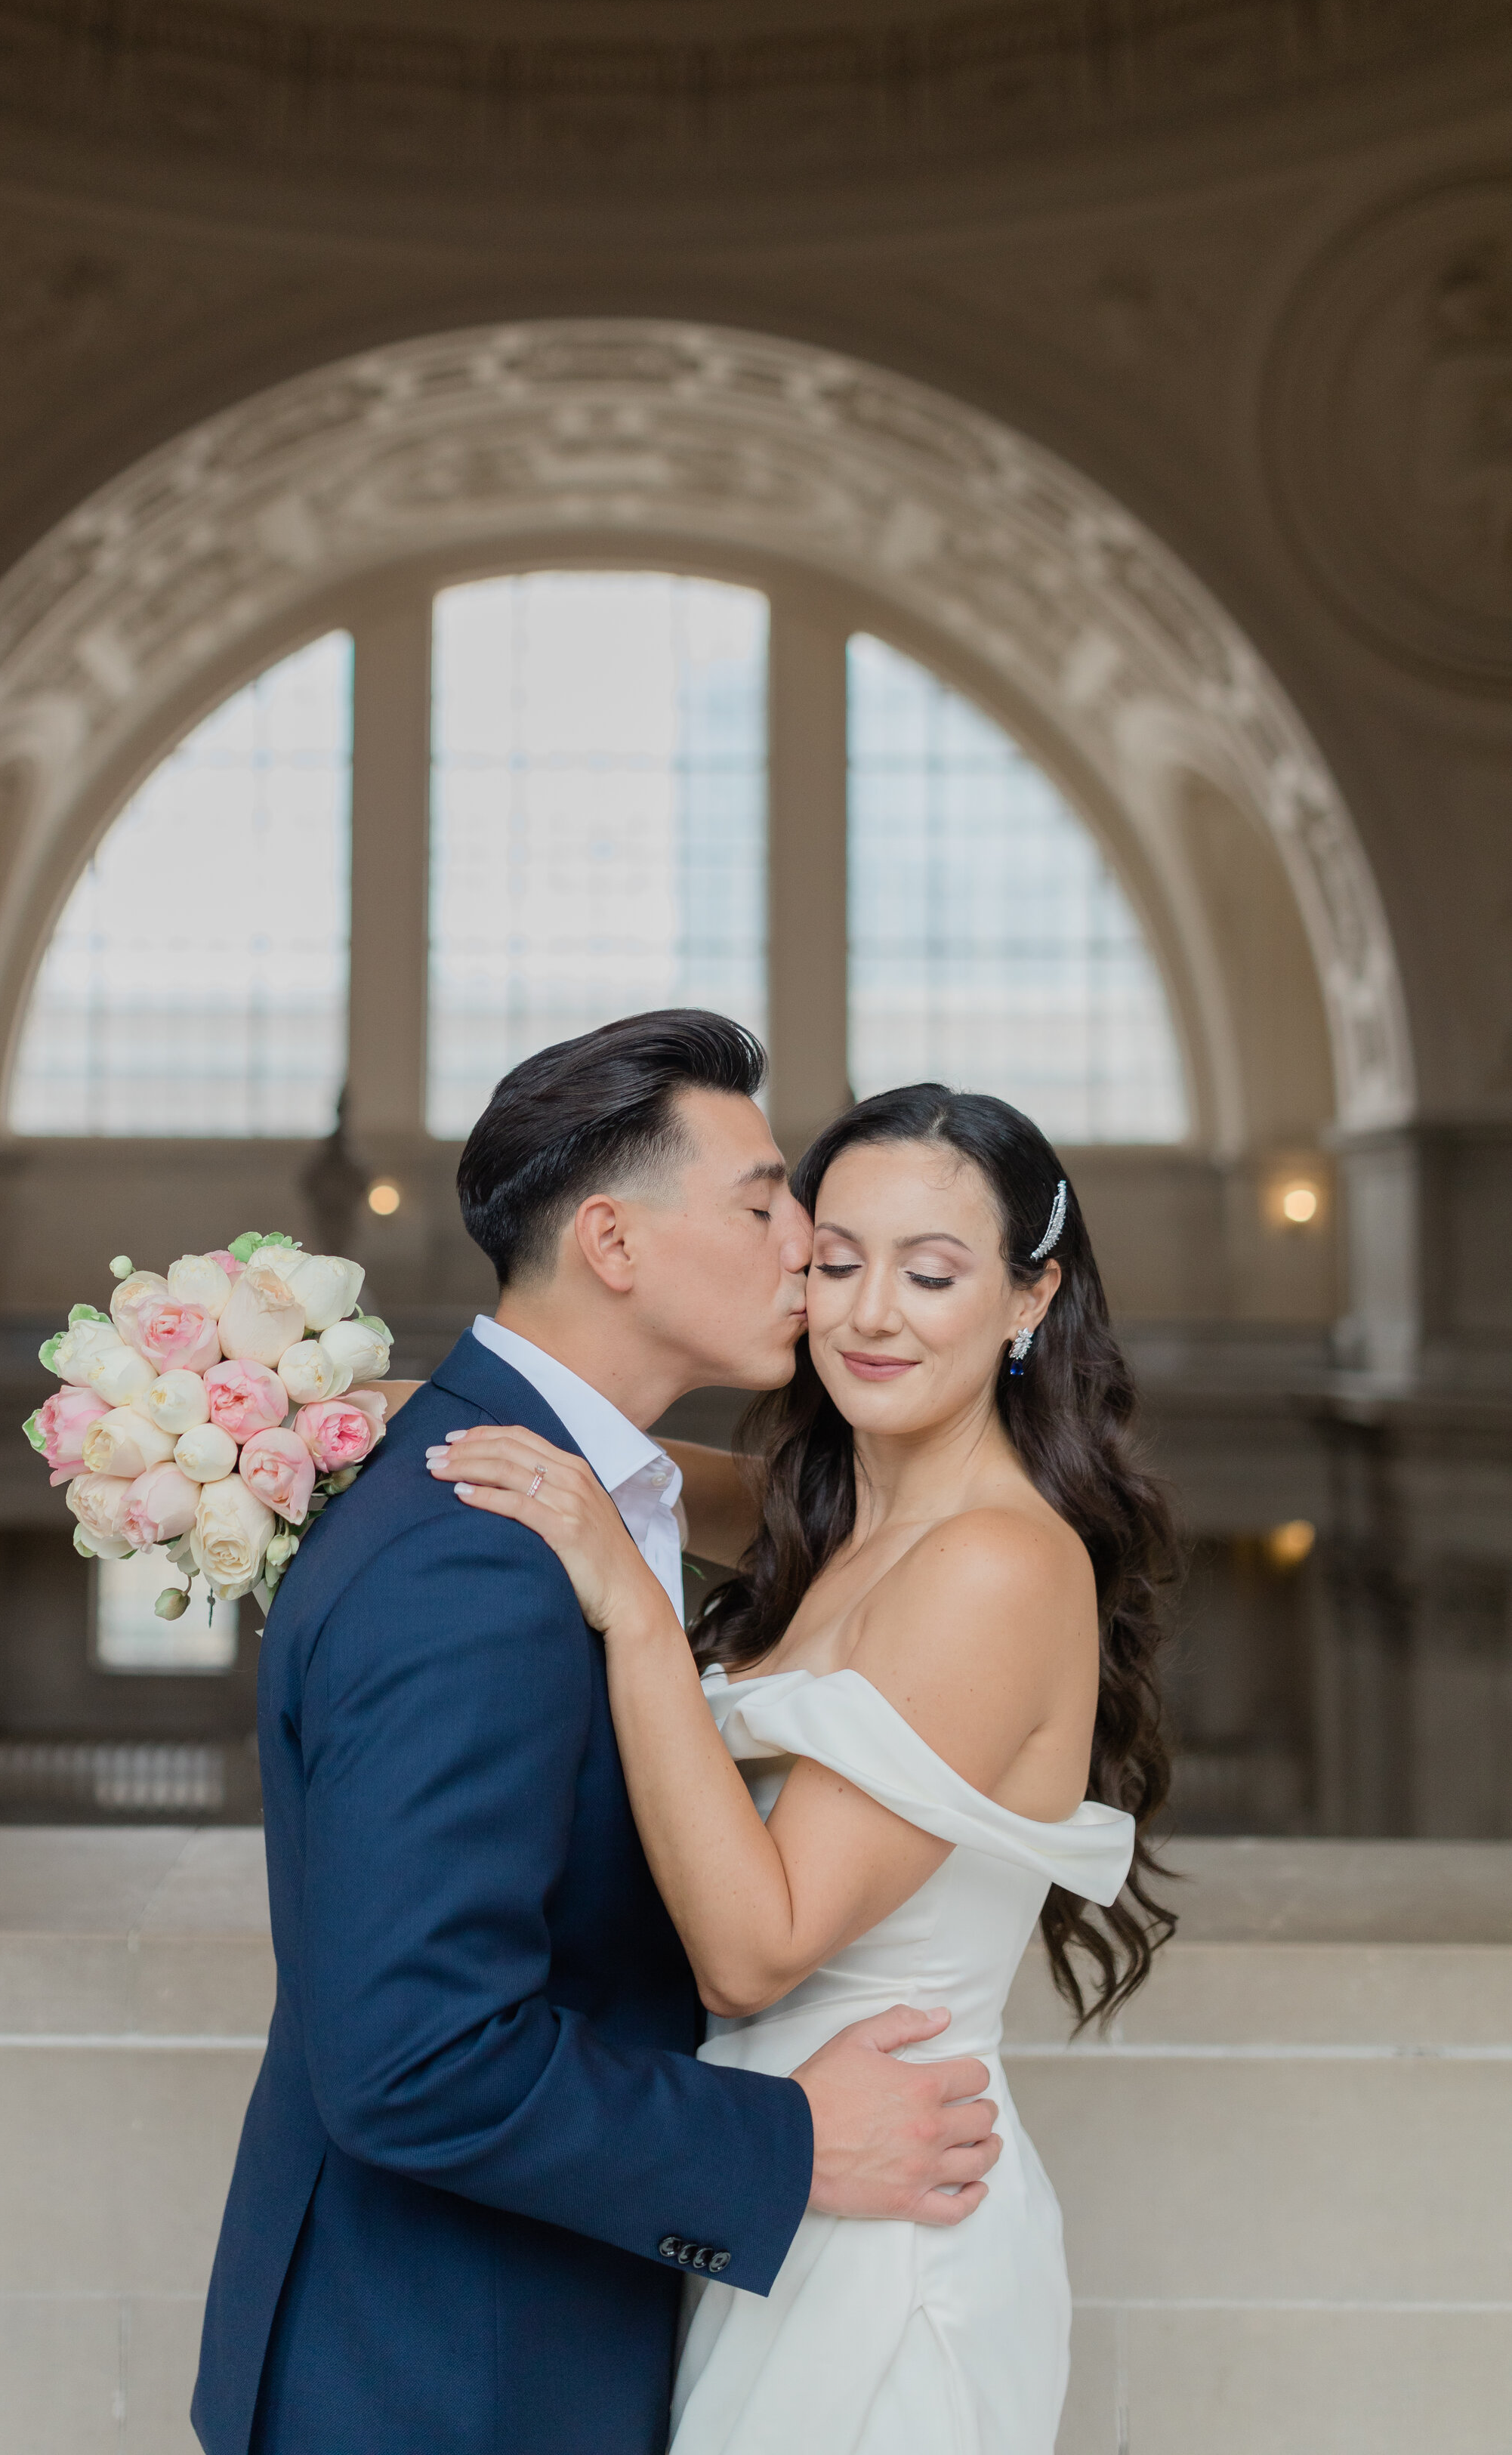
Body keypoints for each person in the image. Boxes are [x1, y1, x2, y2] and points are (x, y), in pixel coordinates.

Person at [192, 1018, 1005, 2455]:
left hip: (501, 2342)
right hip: (444, 2378)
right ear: (615, 1245)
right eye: (765, 1202)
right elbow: (415, 2056)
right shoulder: (478, 1553)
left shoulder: (564, 1493)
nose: (808, 1242)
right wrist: (795, 2146)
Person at [437, 1079, 1177, 2455]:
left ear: (1029, 1298)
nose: (870, 1312)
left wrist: (633, 1606)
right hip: (779, 2188)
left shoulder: (997, 1563)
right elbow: (593, 1452)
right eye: (835, 1262)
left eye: (932, 1272)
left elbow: (754, 1948)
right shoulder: (828, 1513)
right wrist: (307, 1406)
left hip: (894, 2239)